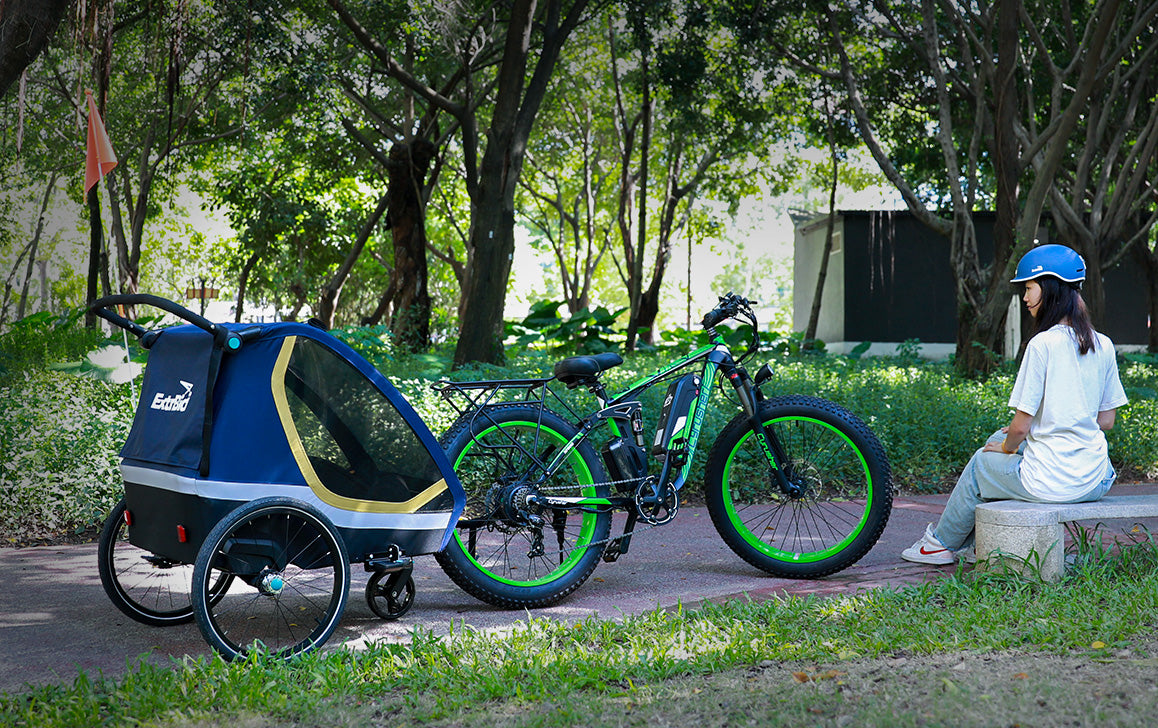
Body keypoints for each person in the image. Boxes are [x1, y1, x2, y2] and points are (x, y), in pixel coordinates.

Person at [902, 244, 1129, 565]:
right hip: (1096, 478)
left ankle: (939, 545)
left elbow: (1020, 428)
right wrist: (1019, 436)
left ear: (1051, 288)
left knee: (983, 461)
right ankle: (971, 546)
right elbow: (1106, 421)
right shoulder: (1102, 343)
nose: (1024, 297)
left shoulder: (1042, 345)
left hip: (1054, 483)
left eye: (1029, 288)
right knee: (999, 436)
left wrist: (1007, 448)